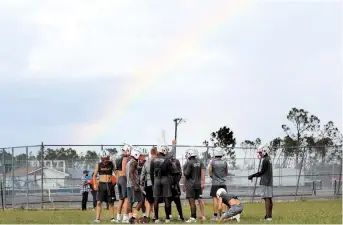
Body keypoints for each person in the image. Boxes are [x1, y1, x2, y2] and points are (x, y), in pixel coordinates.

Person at [248, 147, 273, 221]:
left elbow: (262, 172)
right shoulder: (269, 159)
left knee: (267, 198)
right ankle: (268, 216)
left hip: (265, 181)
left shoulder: (265, 160)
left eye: (260, 152)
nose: (259, 154)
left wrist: (252, 175)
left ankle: (268, 217)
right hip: (269, 181)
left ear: (264, 151)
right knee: (269, 198)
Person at [150, 145, 173, 223]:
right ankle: (167, 218)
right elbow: (171, 171)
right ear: (164, 151)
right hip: (165, 179)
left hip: (156, 179)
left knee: (156, 199)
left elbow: (151, 173)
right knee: (166, 198)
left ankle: (156, 218)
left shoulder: (153, 160)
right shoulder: (167, 160)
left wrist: (153, 182)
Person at [92, 150, 116, 223]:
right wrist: (95, 184)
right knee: (99, 202)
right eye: (104, 158)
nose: (105, 159)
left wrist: (116, 181)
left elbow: (116, 173)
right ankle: (97, 218)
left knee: (111, 202)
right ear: (101, 158)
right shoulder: (99, 165)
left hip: (109, 185)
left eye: (106, 158)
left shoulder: (111, 164)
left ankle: (112, 218)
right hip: (101, 185)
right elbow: (94, 175)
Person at [182, 149, 206, 221]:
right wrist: (203, 182)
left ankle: (193, 217)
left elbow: (186, 175)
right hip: (198, 184)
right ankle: (203, 215)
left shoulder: (189, 163)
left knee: (191, 201)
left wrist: (184, 185)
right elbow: (203, 172)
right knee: (200, 200)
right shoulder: (200, 162)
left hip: (191, 185)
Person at [208, 147, 229, 221]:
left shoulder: (212, 162)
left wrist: (213, 177)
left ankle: (215, 216)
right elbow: (226, 173)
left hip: (215, 184)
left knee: (215, 199)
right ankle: (224, 215)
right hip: (223, 183)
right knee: (223, 199)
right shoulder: (225, 162)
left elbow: (210, 172)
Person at [167, 140, 184, 221]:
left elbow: (180, 172)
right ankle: (169, 215)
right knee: (168, 201)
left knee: (177, 201)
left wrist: (177, 181)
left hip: (175, 184)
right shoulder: (166, 161)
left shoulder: (176, 161)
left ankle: (181, 216)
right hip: (168, 184)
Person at [114, 144, 132, 223]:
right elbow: (124, 170)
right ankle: (125, 217)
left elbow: (115, 170)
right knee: (126, 199)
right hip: (123, 178)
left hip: (118, 178)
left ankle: (118, 217)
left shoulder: (117, 157)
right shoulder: (124, 157)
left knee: (121, 199)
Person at [127, 147, 145, 224]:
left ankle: (130, 218)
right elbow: (131, 173)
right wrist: (135, 185)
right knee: (141, 201)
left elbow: (131, 172)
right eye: (140, 154)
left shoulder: (129, 162)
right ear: (136, 154)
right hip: (133, 184)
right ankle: (133, 217)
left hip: (128, 185)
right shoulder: (134, 162)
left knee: (130, 202)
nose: (141, 156)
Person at [141, 147, 157, 221]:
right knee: (155, 200)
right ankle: (154, 216)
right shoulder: (158, 161)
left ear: (151, 153)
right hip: (157, 183)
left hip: (149, 183)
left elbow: (143, 174)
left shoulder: (146, 162)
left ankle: (147, 216)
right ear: (156, 153)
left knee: (148, 200)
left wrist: (142, 183)